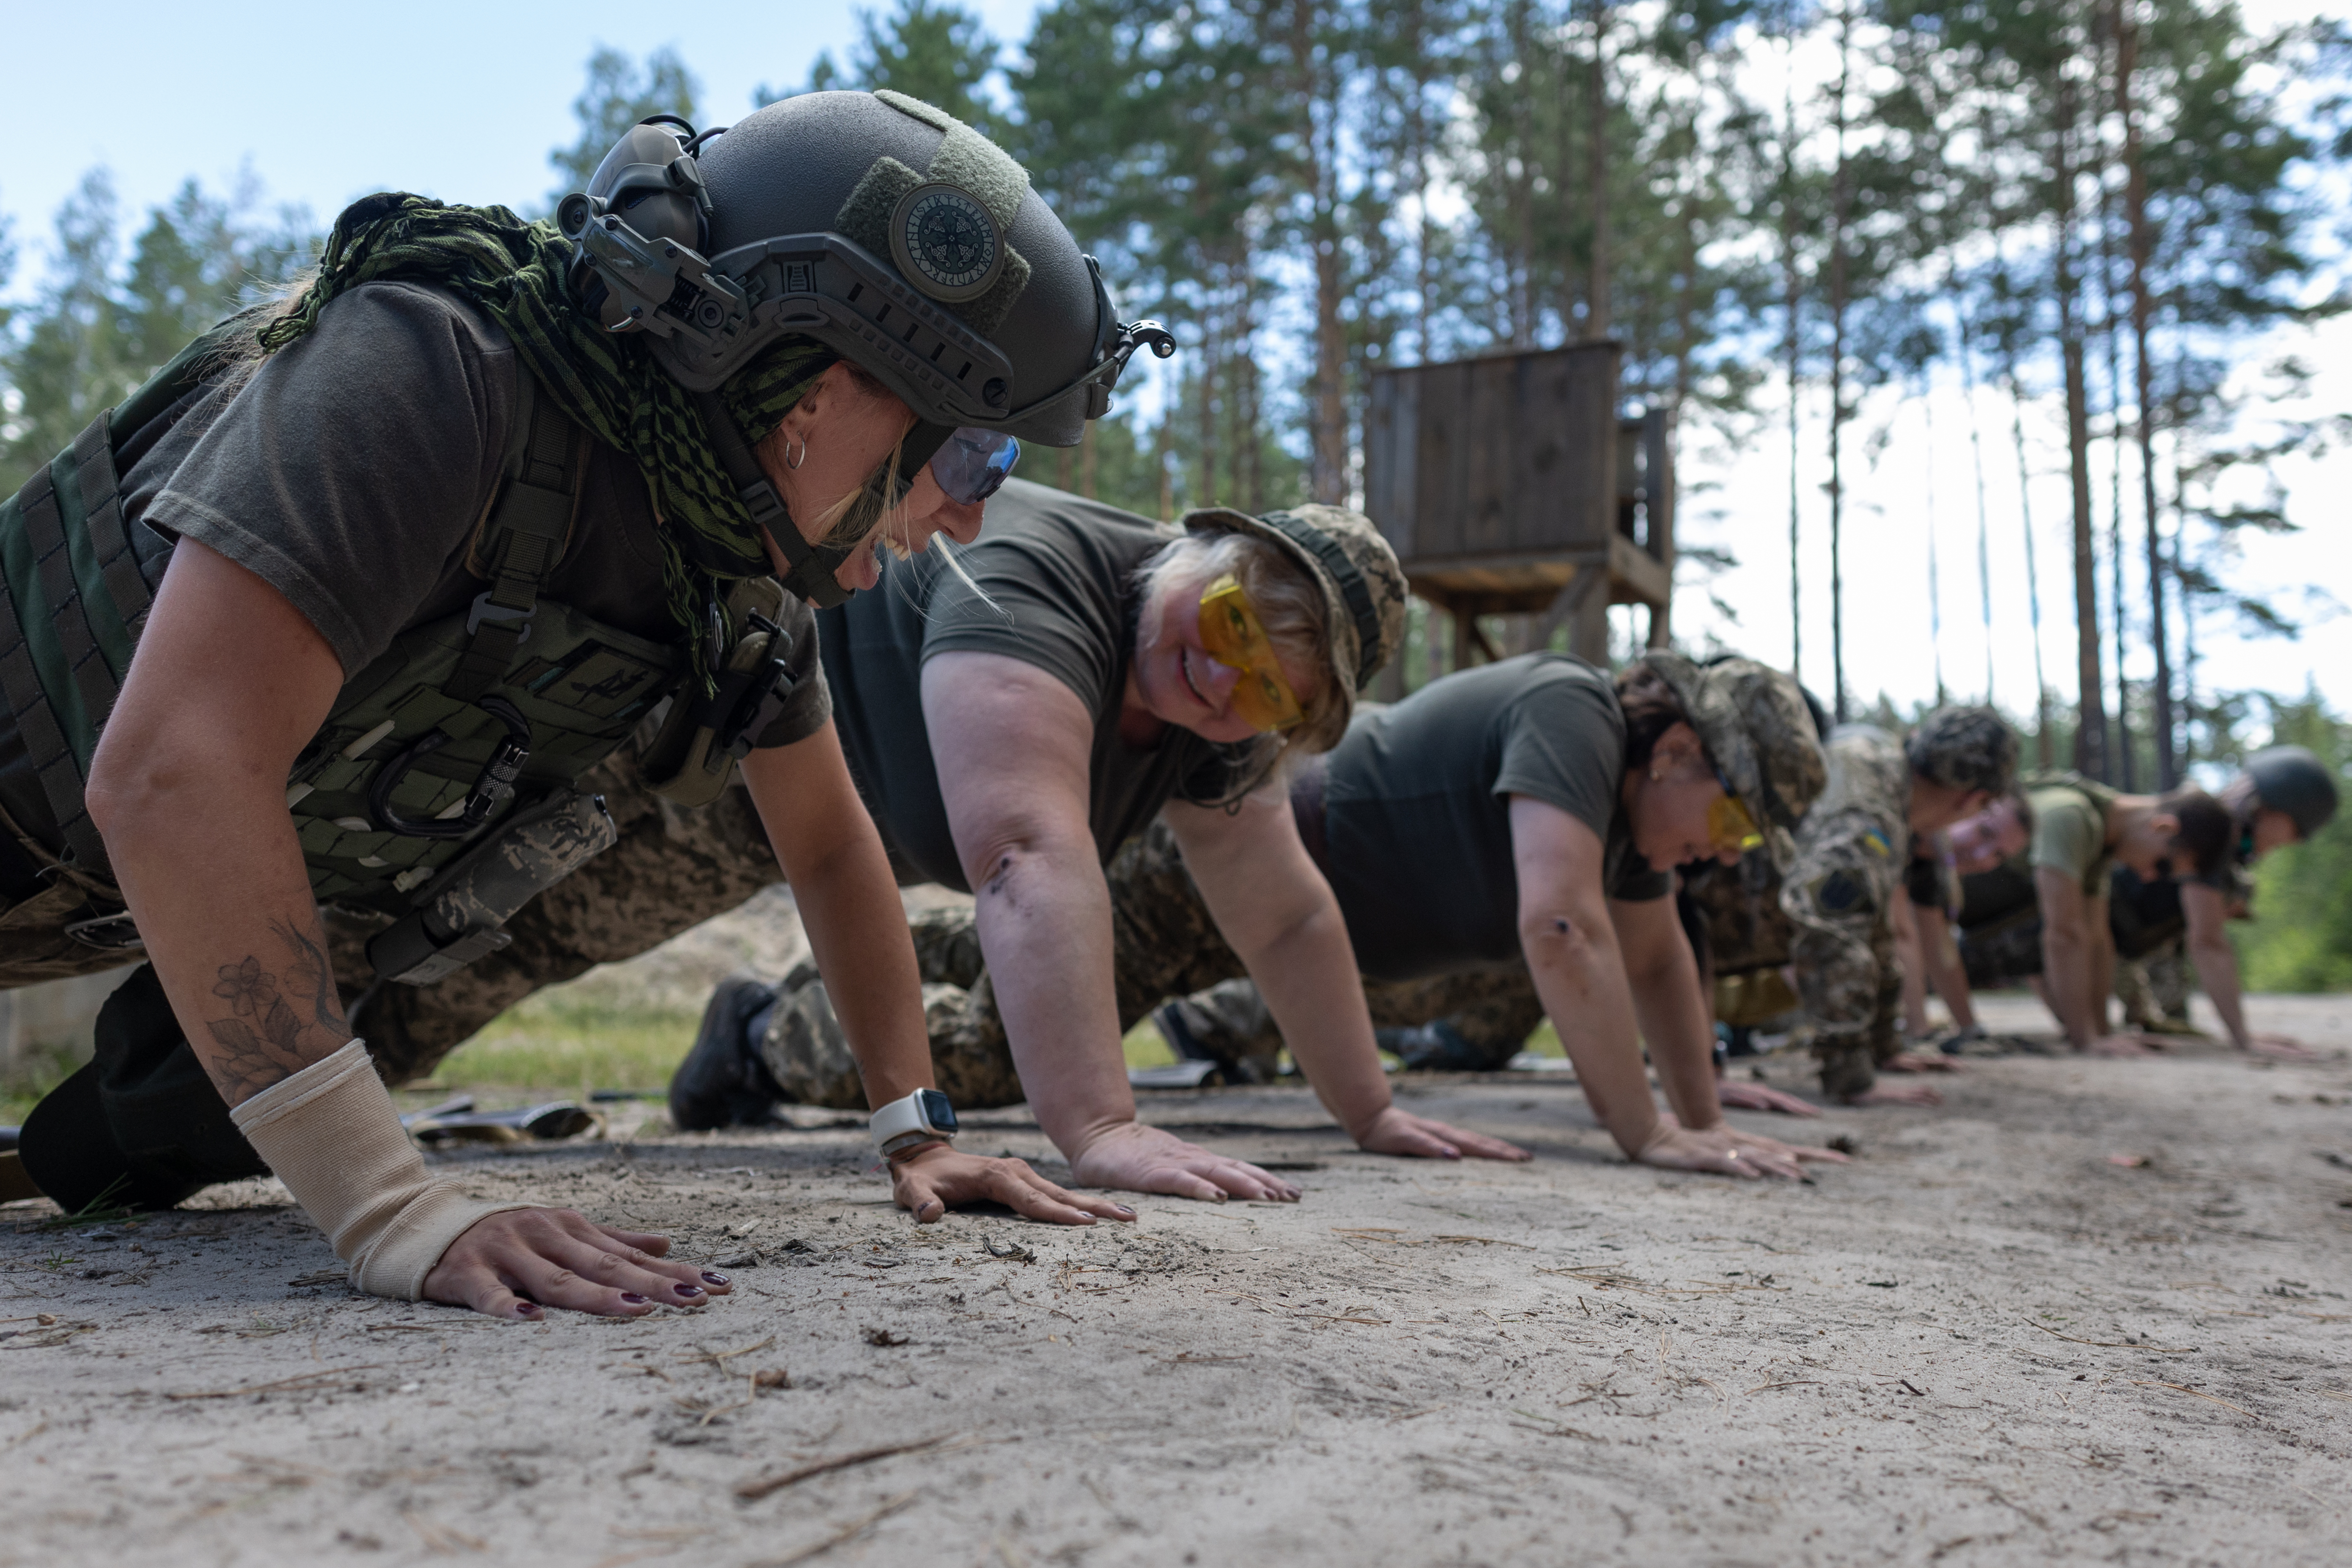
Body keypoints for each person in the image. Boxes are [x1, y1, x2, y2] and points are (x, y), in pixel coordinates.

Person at [3, 90, 1152, 1317]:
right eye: (972, 452)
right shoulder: (436, 371)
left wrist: (914, 1130)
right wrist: (390, 1206)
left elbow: (825, 847)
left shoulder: (727, 579)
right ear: (817, 390)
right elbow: (174, 769)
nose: (974, 511)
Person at [753, 647, 1851, 1180]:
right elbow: (1561, 930)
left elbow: (1658, 967)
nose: (1726, 852)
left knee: (982, 955)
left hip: (1292, 931)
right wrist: (1650, 1133)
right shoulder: (1574, 711)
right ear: (1677, 753)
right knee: (995, 1056)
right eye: (1737, 821)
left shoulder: (1633, 825)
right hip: (1223, 865)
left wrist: (1703, 1125)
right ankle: (761, 1035)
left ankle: (897, 955)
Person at [1679, 706, 2019, 1105]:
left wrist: (1884, 1047)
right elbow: (1831, 931)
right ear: (1973, 798)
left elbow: (1874, 930)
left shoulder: (1878, 766)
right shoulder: (1869, 811)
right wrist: (1852, 1075)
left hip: (1698, 920)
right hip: (1692, 926)